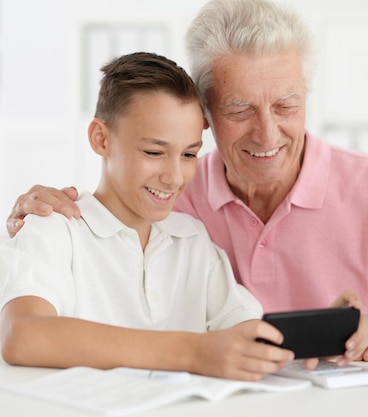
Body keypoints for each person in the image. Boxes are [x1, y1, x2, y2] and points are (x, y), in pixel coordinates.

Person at [5, 0, 368, 365]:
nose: (266, 134)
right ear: (204, 117)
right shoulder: (178, 204)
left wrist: (342, 333)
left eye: (286, 105)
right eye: (240, 110)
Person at [0, 52, 295, 381]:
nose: (174, 177)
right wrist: (194, 352)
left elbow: (246, 331)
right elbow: (21, 337)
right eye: (154, 152)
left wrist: (328, 331)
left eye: (188, 154)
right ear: (101, 139)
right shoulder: (54, 228)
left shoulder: (192, 238)